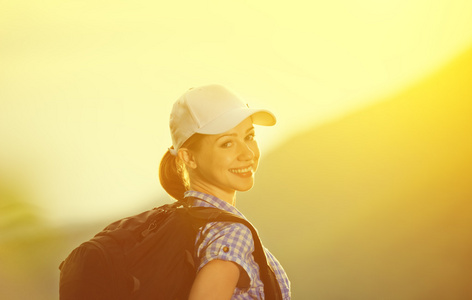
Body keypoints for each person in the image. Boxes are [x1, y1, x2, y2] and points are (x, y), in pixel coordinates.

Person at [159, 84, 291, 299]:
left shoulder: (181, 220)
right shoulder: (230, 234)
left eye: (249, 136)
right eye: (227, 143)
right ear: (188, 158)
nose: (247, 153)